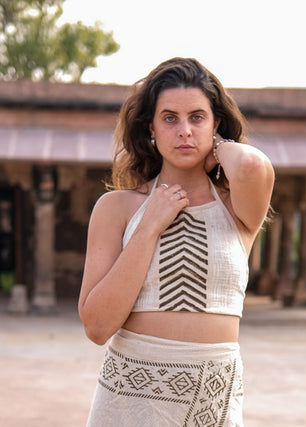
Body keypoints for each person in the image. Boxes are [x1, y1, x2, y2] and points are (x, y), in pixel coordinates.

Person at [78, 57, 275, 426]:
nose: (184, 130)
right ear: (150, 128)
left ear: (217, 124)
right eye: (169, 118)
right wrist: (149, 226)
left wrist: (217, 145)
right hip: (129, 399)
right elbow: (97, 326)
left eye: (197, 117)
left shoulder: (237, 208)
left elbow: (251, 166)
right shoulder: (117, 208)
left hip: (211, 399)